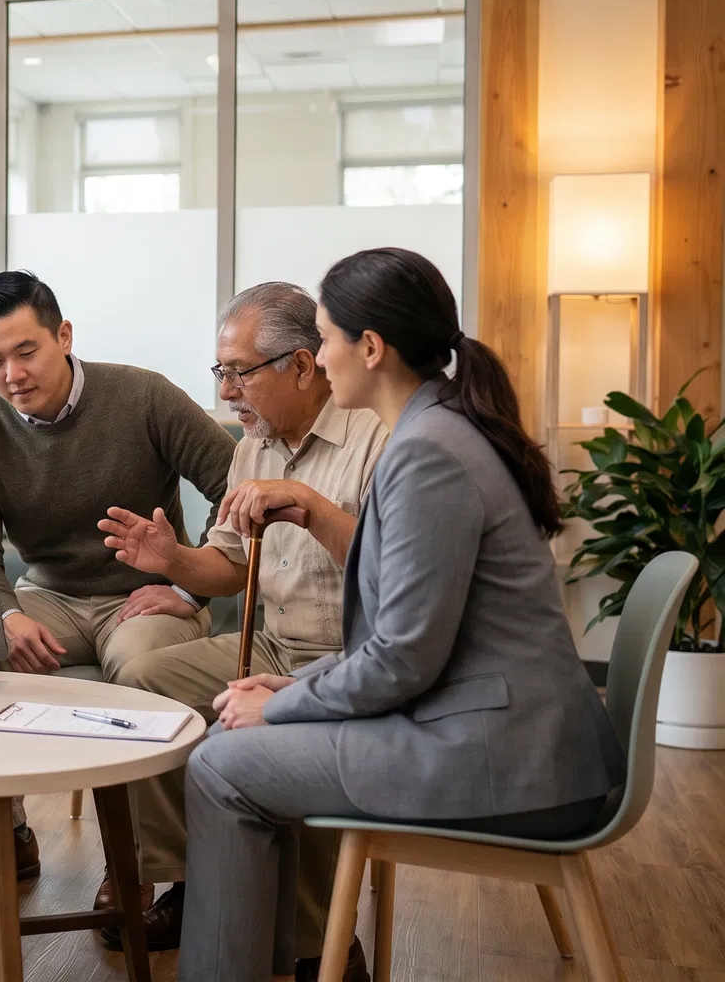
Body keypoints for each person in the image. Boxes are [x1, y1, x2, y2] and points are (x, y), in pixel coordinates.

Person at [180, 248, 624, 982]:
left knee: (220, 766)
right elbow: (405, 637)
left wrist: (281, 707)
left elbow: (404, 657)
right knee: (234, 747)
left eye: (326, 339)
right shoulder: (440, 430)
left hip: (504, 761)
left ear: (371, 348)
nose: (319, 359)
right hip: (505, 740)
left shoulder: (428, 454)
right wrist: (292, 688)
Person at [95, 282, 387, 978]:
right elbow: (229, 565)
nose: (226, 391)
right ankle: (188, 881)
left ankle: (324, 943)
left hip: (348, 656)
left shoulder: (377, 438)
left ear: (303, 366)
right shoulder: (250, 446)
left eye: (239, 372)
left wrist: (311, 506)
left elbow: (393, 568)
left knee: (279, 737)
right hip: (269, 643)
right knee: (141, 683)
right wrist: (172, 561)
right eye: (219, 371)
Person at [0, 270, 237, 898]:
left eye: (26, 351)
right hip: (48, 596)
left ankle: (137, 863)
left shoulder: (145, 396)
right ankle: (4, 837)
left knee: (140, 668)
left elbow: (236, 488)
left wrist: (189, 586)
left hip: (145, 597)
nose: (12, 374)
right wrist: (5, 616)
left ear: (64, 336)